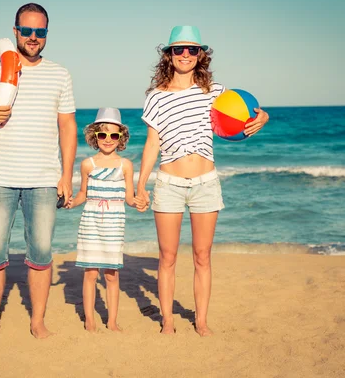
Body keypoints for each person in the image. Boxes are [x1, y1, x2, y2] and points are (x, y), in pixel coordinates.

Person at [0, 3, 77, 339]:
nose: (34, 37)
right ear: (15, 31)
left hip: (43, 180)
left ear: (46, 34)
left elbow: (67, 126)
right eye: (28, 31)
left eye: (41, 32)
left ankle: (37, 323)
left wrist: (67, 175)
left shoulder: (60, 74)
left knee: (41, 255)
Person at [136, 26, 269, 336]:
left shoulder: (215, 91)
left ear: (201, 55)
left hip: (205, 183)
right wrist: (141, 183)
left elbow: (249, 112)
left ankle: (202, 321)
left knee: (202, 256)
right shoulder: (155, 97)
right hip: (168, 183)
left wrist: (264, 118)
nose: (186, 55)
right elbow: (152, 143)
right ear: (168, 54)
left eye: (192, 50)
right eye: (179, 49)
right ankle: (168, 321)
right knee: (167, 257)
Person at [66, 108, 144, 332]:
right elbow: (82, 193)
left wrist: (138, 202)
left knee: (111, 274)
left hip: (113, 225)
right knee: (90, 273)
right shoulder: (87, 164)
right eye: (102, 134)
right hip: (90, 222)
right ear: (94, 136)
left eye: (113, 135)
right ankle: (90, 319)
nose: (108, 139)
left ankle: (112, 321)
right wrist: (70, 202)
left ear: (121, 138)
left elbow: (129, 198)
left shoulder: (125, 165)